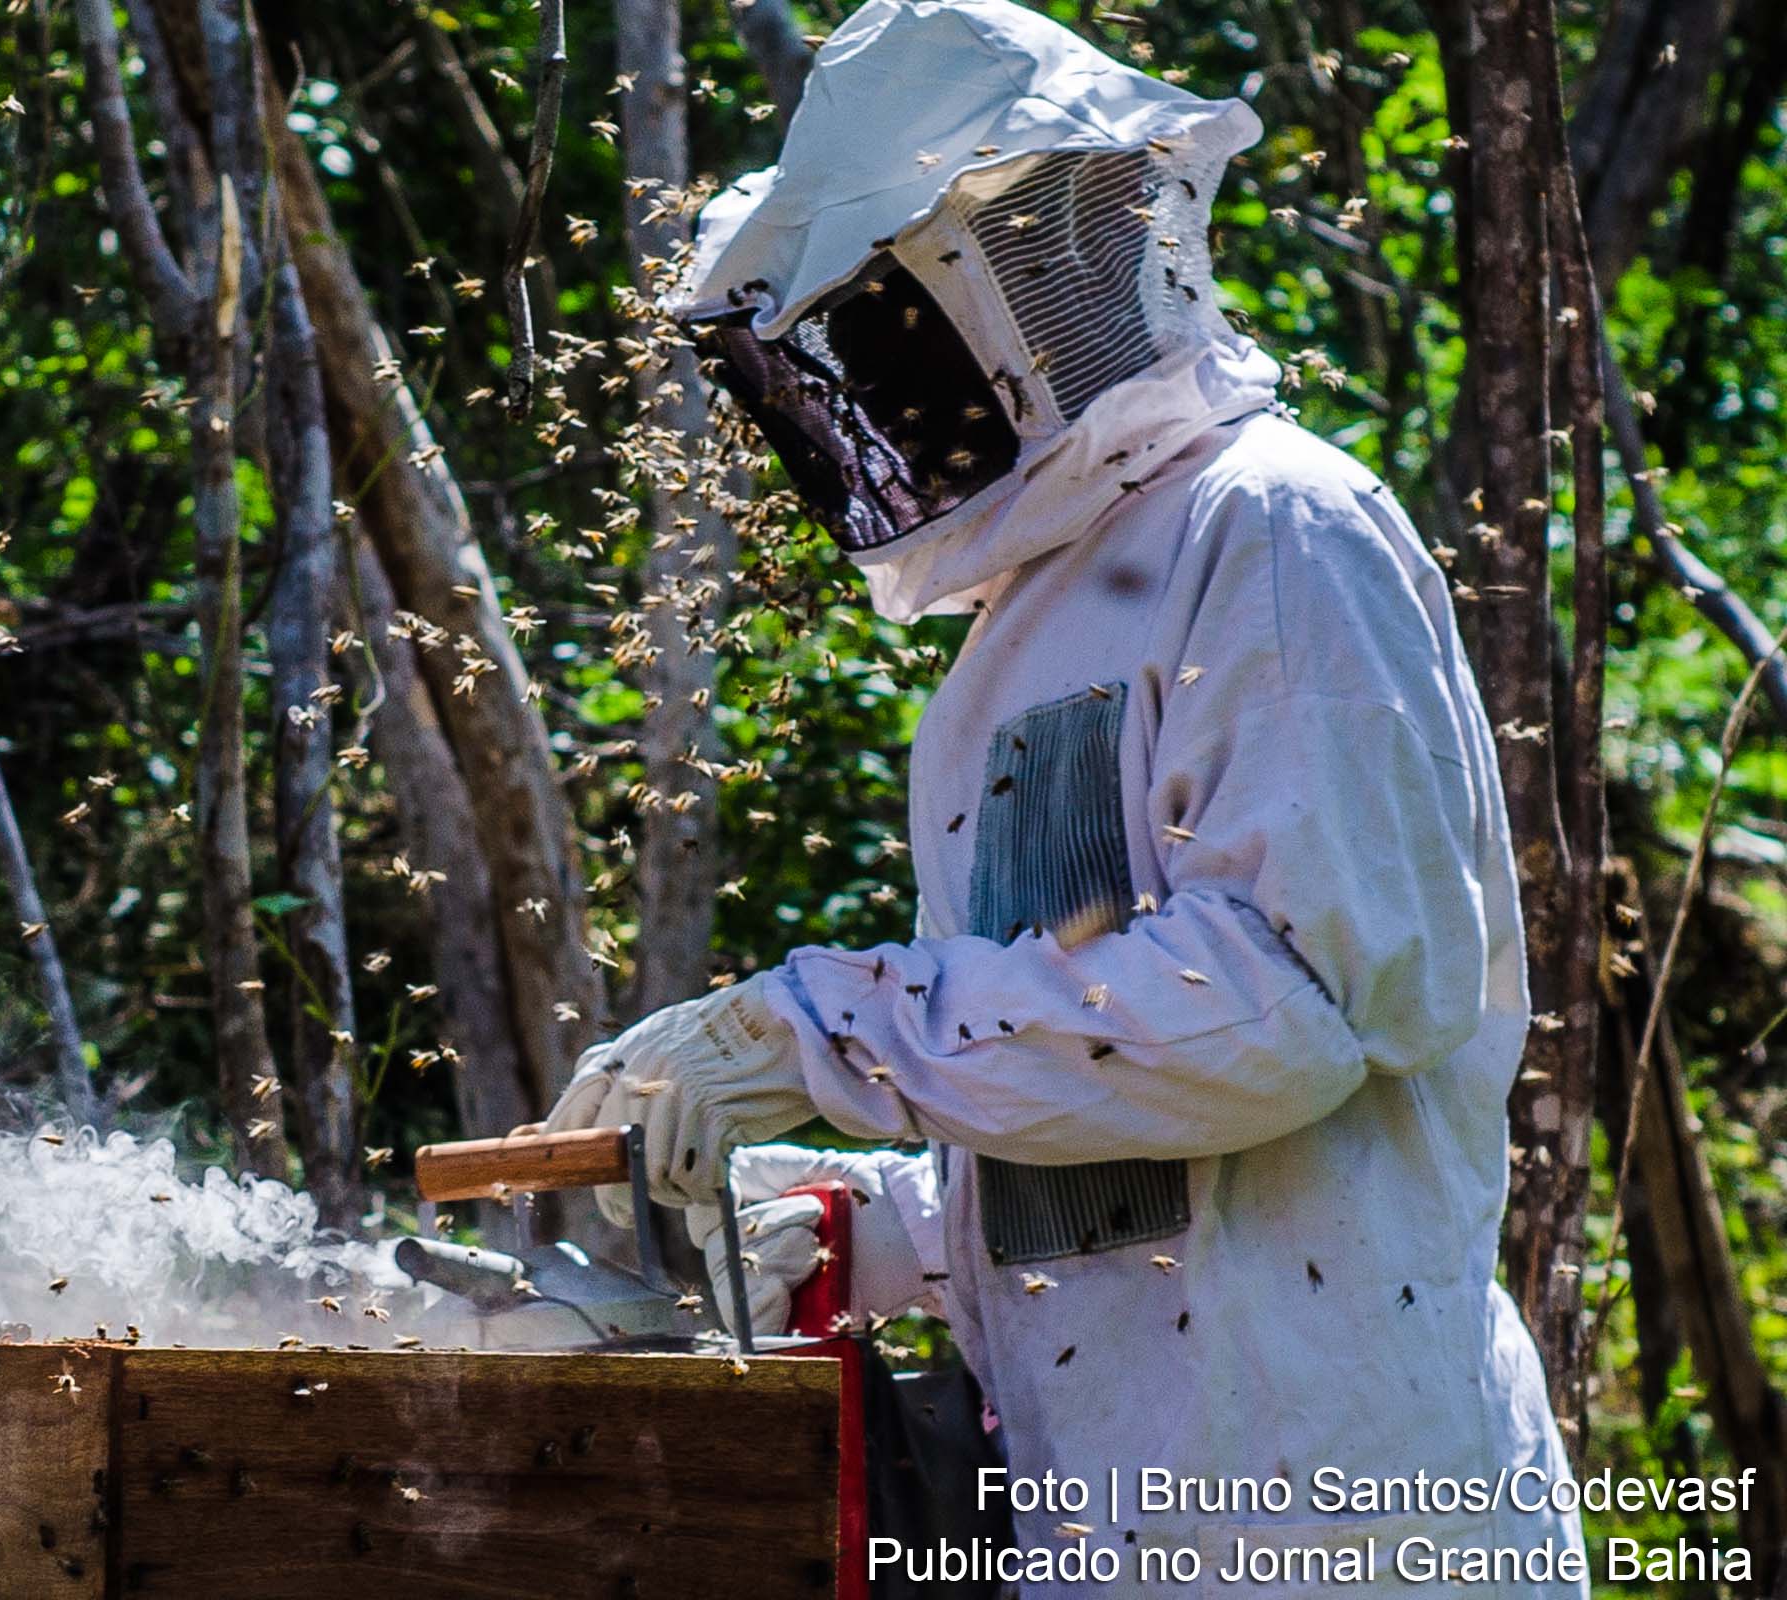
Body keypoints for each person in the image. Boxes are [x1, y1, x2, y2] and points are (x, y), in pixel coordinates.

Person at [531, 1, 1588, 1593]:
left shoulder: (1276, 533)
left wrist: (821, 1032)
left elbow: (1280, 1015)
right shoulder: (1021, 642)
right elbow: (1124, 1152)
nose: (867, 403)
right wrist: (861, 1228)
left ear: (1015, 281)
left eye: (878, 336)